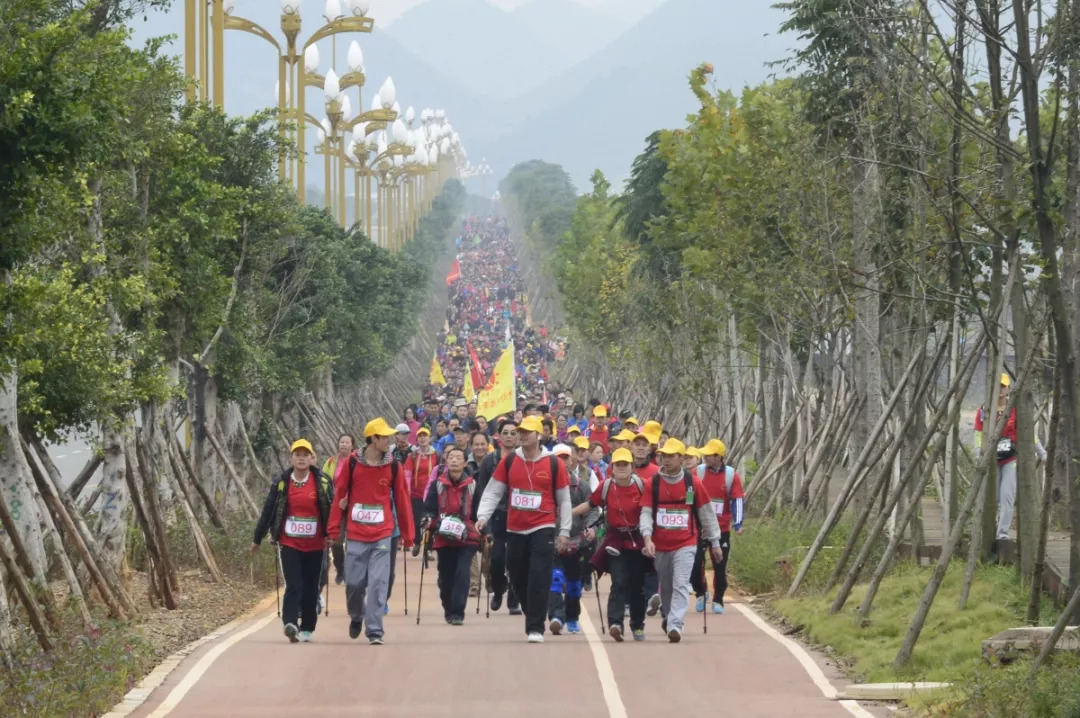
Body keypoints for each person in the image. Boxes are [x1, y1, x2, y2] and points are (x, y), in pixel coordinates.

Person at [476, 415, 572, 643]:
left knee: (539, 575)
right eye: (520, 431)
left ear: (539, 436)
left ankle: (535, 627)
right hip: (515, 529)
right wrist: (482, 516)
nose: (521, 435)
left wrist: (564, 531)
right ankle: (533, 611)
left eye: (527, 431)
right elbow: (493, 491)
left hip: (544, 527)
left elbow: (565, 499)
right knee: (516, 574)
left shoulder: (553, 463)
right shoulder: (509, 461)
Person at [328, 418, 414, 645]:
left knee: (378, 583)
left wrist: (408, 534)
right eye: (384, 436)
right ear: (373, 439)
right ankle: (356, 615)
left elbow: (403, 501)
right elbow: (339, 494)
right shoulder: (352, 463)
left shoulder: (394, 465)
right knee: (354, 584)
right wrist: (334, 527)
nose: (389, 440)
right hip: (356, 534)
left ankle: (375, 630)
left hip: (383, 533)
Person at [640, 438, 723, 643]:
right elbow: (646, 513)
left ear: (680, 458)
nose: (666, 460)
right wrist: (647, 538)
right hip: (660, 545)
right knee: (666, 586)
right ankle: (668, 616)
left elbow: (706, 514)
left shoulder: (692, 483)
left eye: (670, 456)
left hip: (686, 543)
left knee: (680, 583)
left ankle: (675, 624)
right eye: (663, 456)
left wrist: (715, 543)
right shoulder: (654, 483)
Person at [252, 439, 331, 643]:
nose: (302, 458)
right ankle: (290, 623)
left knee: (311, 586)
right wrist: (257, 538)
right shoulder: (281, 482)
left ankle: (307, 626)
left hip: (315, 543)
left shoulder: (322, 481)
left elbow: (330, 510)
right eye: (298, 454)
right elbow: (269, 511)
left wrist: (332, 533)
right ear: (291, 458)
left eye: (305, 454)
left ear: (311, 457)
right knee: (293, 583)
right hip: (289, 542)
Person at [573, 447, 648, 641]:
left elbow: (654, 509)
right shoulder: (606, 487)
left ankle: (637, 624)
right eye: (618, 464)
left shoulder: (643, 486)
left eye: (625, 464)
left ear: (632, 466)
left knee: (638, 585)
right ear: (612, 466)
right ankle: (615, 623)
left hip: (639, 539)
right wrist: (568, 513)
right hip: (616, 541)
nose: (622, 467)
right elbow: (590, 505)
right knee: (619, 581)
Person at [974, 372, 1047, 541]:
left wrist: (1041, 451)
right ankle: (988, 532)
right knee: (994, 498)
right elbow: (978, 434)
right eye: (997, 385)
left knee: (1007, 497)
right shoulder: (984, 410)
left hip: (1010, 460)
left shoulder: (1015, 409)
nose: (1000, 389)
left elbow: (1028, 433)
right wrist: (979, 451)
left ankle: (1003, 534)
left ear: (1008, 389)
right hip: (991, 460)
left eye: (1003, 386)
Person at [422, 446, 481, 625]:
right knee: (446, 576)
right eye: (451, 457)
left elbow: (480, 512)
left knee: (462, 573)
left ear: (464, 463)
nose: (454, 460)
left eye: (458, 457)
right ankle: (448, 608)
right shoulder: (437, 484)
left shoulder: (473, 485)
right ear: (446, 462)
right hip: (444, 535)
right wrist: (428, 519)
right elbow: (429, 508)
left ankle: (458, 612)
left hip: (467, 536)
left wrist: (485, 530)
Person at [547, 443, 597, 635]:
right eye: (558, 458)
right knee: (555, 579)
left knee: (575, 585)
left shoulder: (581, 486)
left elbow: (593, 511)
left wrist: (590, 528)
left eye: (566, 458)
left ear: (573, 459)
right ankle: (556, 617)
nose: (562, 462)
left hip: (577, 542)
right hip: (552, 540)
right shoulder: (546, 486)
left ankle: (572, 616)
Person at [474, 417, 521, 615]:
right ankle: (498, 590)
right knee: (498, 559)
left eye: (513, 433)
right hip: (497, 517)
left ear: (519, 437)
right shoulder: (489, 461)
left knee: (516, 560)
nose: (509, 437)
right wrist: (485, 522)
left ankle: (513, 599)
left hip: (519, 517)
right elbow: (482, 492)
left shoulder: (523, 459)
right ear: (498, 436)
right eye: (505, 433)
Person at [691, 439, 744, 614]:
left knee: (720, 564)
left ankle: (718, 598)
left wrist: (738, 523)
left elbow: (737, 499)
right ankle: (701, 591)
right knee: (696, 561)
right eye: (704, 454)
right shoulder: (697, 472)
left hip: (722, 528)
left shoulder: (731, 475)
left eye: (710, 454)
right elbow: (689, 496)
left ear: (719, 456)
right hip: (699, 528)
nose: (705, 457)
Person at [322, 433, 354, 585]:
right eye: (342, 442)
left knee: (353, 541)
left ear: (352, 445)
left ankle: (350, 570)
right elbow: (323, 481)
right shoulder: (331, 462)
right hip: (336, 506)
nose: (344, 445)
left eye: (347, 442)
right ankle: (340, 569)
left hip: (353, 506)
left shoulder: (357, 462)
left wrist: (348, 498)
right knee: (336, 541)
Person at [405, 427, 439, 557]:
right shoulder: (413, 455)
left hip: (431, 494)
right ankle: (417, 542)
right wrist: (407, 491)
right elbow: (407, 473)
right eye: (420, 436)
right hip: (416, 493)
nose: (422, 438)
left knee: (432, 521)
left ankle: (429, 548)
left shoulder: (436, 454)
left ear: (429, 438)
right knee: (416, 519)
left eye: (425, 436)